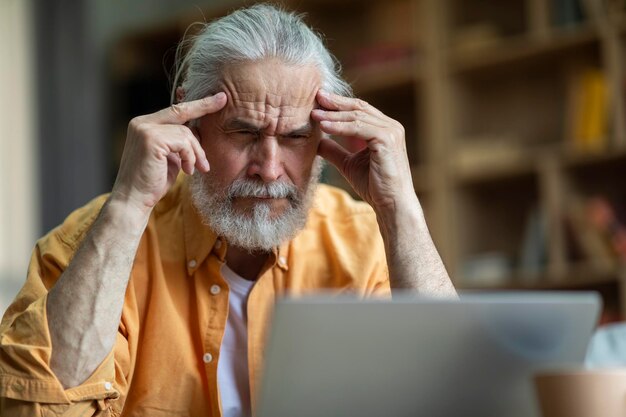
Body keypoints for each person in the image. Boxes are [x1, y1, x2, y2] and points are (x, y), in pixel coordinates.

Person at [0, 4, 456, 417]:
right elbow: (33, 407)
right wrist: (126, 208)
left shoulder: (363, 241)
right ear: (190, 122)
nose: (269, 169)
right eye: (243, 133)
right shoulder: (89, 243)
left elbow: (454, 391)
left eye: (296, 137)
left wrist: (400, 210)